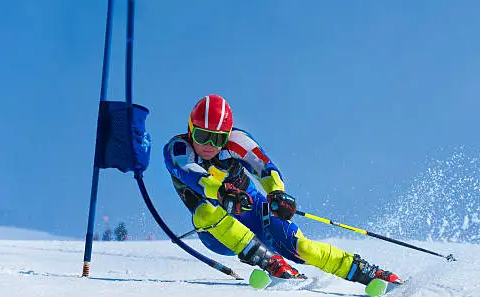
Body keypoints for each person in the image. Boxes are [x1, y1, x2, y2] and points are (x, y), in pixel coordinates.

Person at [163, 94, 402, 286]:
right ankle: (269, 261)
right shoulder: (178, 149)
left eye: (217, 139)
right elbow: (191, 174)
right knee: (204, 212)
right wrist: (221, 192)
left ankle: (364, 271)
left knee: (303, 248)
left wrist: (276, 193)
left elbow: (265, 168)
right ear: (190, 128)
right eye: (202, 135)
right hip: (218, 233)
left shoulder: (237, 141)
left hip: (253, 211)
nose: (208, 145)